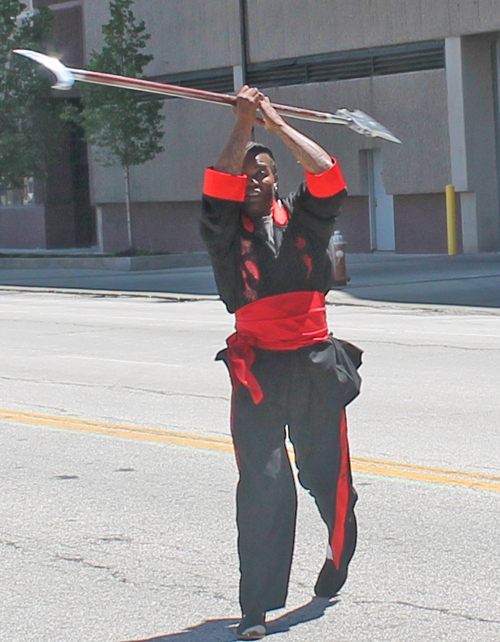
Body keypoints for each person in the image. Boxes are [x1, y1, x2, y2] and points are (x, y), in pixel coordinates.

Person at [200, 86, 362, 640]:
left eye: (260, 173)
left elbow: (329, 175)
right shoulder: (223, 233)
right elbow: (218, 181)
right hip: (257, 371)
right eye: (243, 174)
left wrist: (275, 124)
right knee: (264, 484)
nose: (250, 180)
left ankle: (340, 555)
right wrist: (243, 124)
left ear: (274, 179)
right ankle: (255, 609)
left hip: (316, 365)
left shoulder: (305, 219)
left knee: (326, 477)